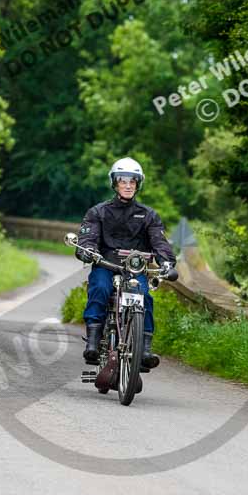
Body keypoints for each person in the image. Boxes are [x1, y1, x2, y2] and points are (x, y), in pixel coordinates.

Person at [75, 157, 176, 370]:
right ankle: (93, 342)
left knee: (145, 296)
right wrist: (89, 251)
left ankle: (144, 349)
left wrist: (166, 262)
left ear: (138, 184)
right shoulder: (98, 212)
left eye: (133, 181)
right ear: (115, 183)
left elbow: (159, 242)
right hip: (105, 265)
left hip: (134, 269)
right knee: (100, 288)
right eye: (123, 180)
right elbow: (87, 238)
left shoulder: (149, 215)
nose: (128, 185)